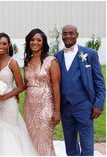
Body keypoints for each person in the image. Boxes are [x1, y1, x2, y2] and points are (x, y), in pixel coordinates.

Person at [54, 24, 106, 156]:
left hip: (85, 106)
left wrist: (99, 104)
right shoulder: (57, 57)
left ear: (77, 35)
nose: (68, 36)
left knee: (87, 145)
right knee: (70, 146)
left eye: (71, 33)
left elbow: (99, 81)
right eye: (65, 33)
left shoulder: (90, 54)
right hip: (65, 107)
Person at [23, 28, 61, 155]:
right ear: (28, 42)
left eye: (39, 40)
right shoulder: (27, 61)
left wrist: (57, 111)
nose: (35, 42)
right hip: (29, 107)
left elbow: (56, 87)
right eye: (32, 40)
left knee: (44, 140)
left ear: (43, 42)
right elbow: (26, 84)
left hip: (45, 107)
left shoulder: (51, 61)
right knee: (31, 138)